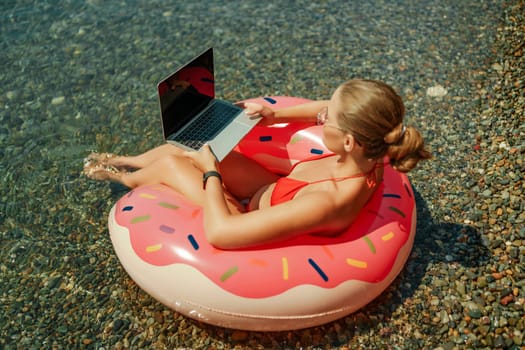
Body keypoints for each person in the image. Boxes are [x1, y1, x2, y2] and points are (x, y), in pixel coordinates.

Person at [84, 79, 431, 249]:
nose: (320, 116)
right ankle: (126, 159)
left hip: (243, 216)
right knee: (187, 145)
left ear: (349, 140)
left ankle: (123, 179)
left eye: (327, 120)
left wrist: (211, 173)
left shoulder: (325, 200)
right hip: (272, 189)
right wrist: (274, 114)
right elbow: (326, 105)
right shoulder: (372, 151)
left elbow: (221, 234)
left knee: (175, 166)